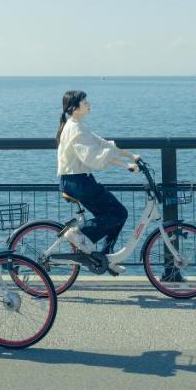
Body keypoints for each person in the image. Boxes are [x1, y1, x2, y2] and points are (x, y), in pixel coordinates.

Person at [56, 90, 139, 271]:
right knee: (118, 213)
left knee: (116, 214)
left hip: (80, 181)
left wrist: (130, 158)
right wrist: (124, 162)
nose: (88, 103)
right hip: (77, 182)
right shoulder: (75, 129)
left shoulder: (78, 125)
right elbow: (93, 157)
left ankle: (106, 259)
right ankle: (78, 233)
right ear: (74, 108)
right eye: (84, 101)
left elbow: (103, 145)